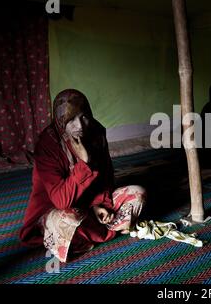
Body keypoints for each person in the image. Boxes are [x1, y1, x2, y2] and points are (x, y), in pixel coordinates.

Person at [19, 89, 147, 262]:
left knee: (138, 193)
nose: (80, 126)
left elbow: (106, 176)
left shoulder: (96, 132)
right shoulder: (47, 145)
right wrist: (84, 164)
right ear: (60, 121)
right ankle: (108, 230)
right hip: (57, 209)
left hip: (90, 208)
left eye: (84, 117)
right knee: (64, 221)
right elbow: (61, 201)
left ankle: (89, 234)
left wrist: (98, 205)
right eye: (71, 120)